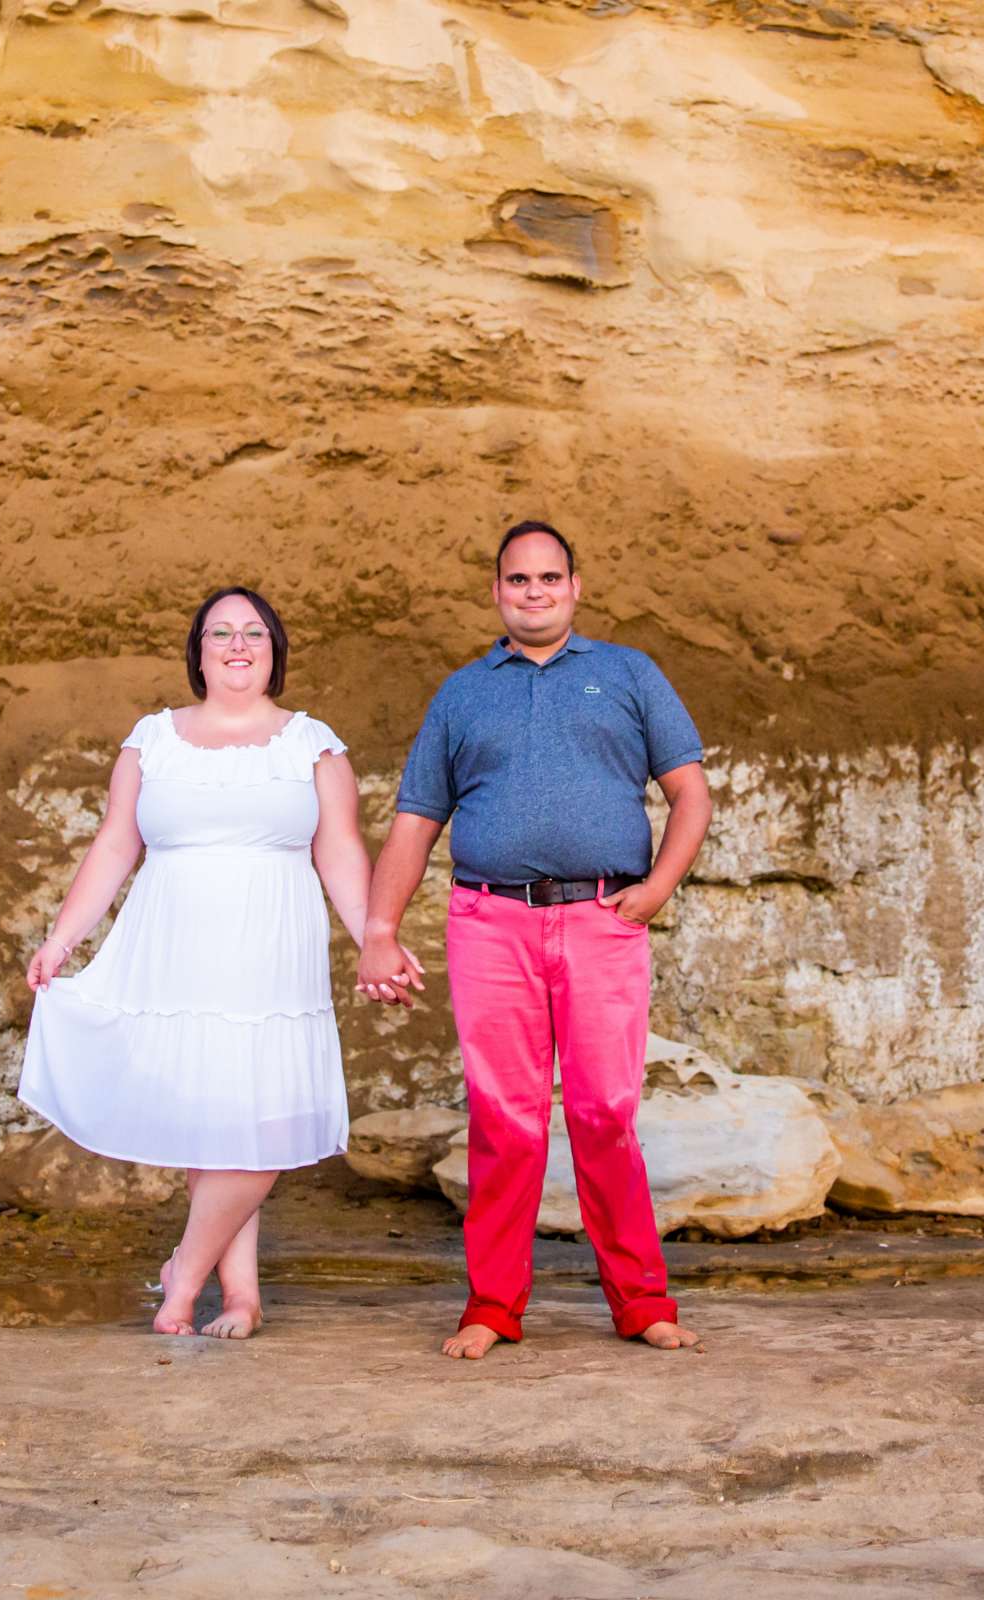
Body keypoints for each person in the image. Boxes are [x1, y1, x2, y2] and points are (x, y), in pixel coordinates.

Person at [19, 585, 423, 1339]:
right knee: (215, 1124)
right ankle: (241, 1295)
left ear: (275, 651)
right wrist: (62, 938)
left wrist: (376, 936)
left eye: (253, 635)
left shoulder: (312, 744)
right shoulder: (152, 739)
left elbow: (337, 849)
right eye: (220, 634)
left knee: (258, 1124)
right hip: (174, 950)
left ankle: (183, 1278)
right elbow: (115, 843)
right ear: (198, 652)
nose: (238, 646)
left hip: (271, 955)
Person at [355, 521, 712, 1358]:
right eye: (519, 580)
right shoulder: (462, 694)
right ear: (497, 593)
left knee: (606, 1112)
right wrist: (379, 929)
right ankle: (493, 1306)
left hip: (601, 920)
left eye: (550, 578)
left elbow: (690, 795)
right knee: (503, 1118)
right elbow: (416, 821)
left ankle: (642, 1302)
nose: (535, 592)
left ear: (575, 588)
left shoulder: (629, 674)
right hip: (490, 924)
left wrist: (654, 890)